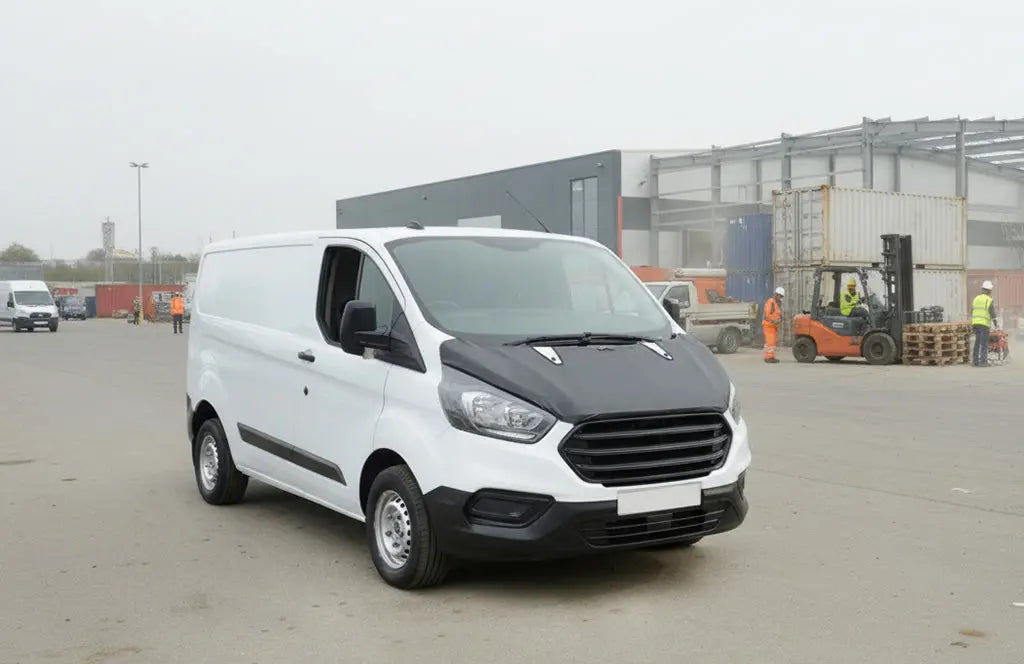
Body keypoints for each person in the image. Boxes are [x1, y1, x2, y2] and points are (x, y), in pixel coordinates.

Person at [971, 280, 997, 367]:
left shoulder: (976, 298)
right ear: (989, 291)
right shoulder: (988, 300)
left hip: (975, 323)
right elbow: (992, 312)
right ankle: (983, 362)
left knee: (977, 342)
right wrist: (996, 323)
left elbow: (972, 311)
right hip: (984, 324)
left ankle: (975, 361)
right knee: (984, 343)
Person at [762, 287, 784, 364]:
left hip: (772, 326)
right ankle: (769, 358)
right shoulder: (771, 302)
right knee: (770, 342)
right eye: (780, 296)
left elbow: (776, 313)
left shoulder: (775, 303)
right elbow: (767, 315)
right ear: (777, 295)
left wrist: (780, 317)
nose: (781, 298)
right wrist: (774, 321)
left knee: (772, 342)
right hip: (769, 326)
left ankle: (770, 356)